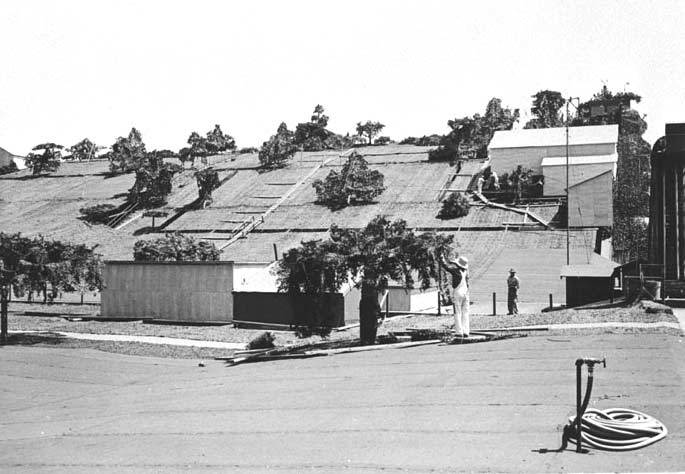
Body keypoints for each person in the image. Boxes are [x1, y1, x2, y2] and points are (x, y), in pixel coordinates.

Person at [438, 253, 470, 337]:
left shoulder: (456, 271)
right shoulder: (466, 272)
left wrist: (442, 259)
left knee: (457, 312)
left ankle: (459, 332)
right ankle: (466, 331)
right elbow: (468, 283)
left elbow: (446, 267)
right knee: (465, 313)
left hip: (458, 292)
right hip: (466, 292)